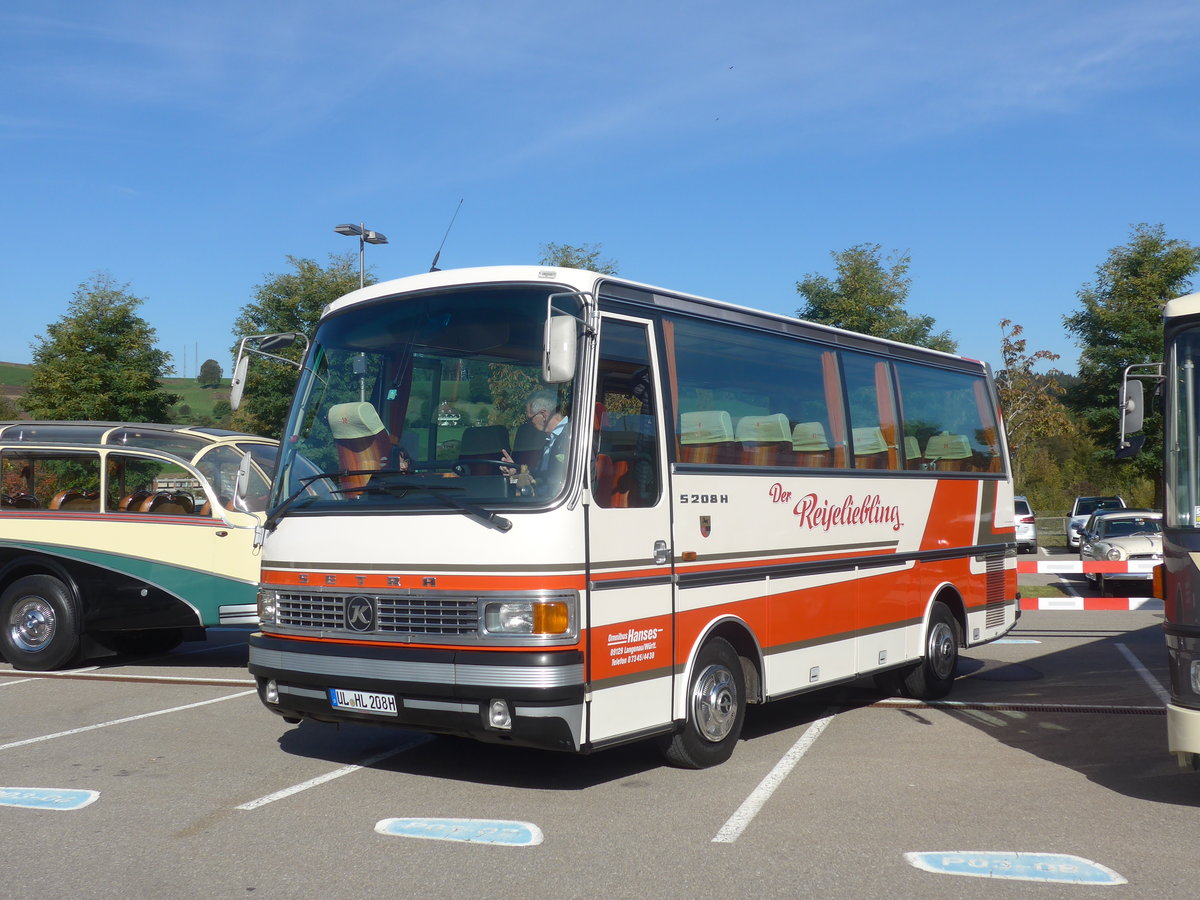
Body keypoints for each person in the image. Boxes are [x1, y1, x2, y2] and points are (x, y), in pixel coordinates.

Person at [502, 389, 570, 491]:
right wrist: (515, 472)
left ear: (544, 415)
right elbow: (541, 477)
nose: (530, 424)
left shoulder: (572, 437)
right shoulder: (550, 440)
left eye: (530, 419)